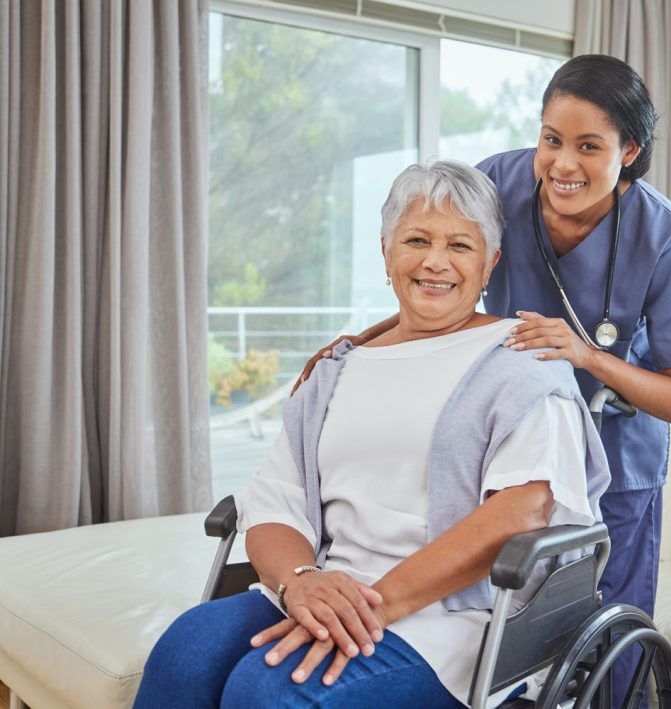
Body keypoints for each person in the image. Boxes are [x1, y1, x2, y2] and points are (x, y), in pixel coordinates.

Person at [296, 55, 671, 705]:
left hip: (616, 469)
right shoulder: (500, 181)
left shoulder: (666, 241)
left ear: (629, 151)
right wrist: (362, 340)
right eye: (551, 139)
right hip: (507, 446)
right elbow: (443, 284)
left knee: (596, 653)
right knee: (494, 633)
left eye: (588, 146)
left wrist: (588, 356)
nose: (561, 165)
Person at [134, 160, 610, 708]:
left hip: (452, 617)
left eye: (460, 245)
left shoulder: (522, 362)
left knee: (269, 692)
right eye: (416, 239)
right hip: (325, 587)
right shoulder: (336, 370)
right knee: (183, 654)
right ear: (386, 253)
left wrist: (376, 605)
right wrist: (299, 580)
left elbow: (521, 512)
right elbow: (274, 504)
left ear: (489, 265)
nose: (435, 261)